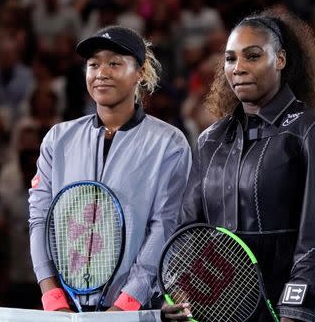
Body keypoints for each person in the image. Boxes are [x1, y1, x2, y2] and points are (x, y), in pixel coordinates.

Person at [162, 8, 315, 322]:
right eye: (230, 59)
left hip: (303, 312)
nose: (238, 68)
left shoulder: (313, 129)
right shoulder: (210, 140)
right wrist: (180, 292)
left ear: (280, 59)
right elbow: (188, 234)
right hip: (229, 309)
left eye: (252, 56)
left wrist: (295, 313)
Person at [28, 25, 192, 312]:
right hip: (66, 308)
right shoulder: (58, 138)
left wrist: (126, 305)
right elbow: (40, 218)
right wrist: (52, 296)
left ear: (140, 72)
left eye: (114, 63)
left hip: (135, 309)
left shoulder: (169, 143)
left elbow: (165, 227)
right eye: (93, 65)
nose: (101, 72)